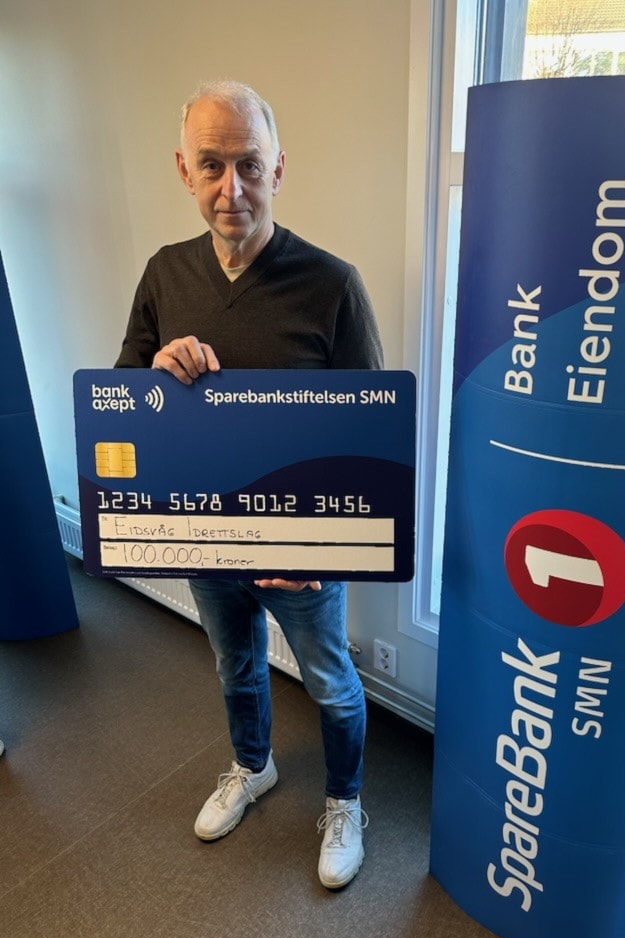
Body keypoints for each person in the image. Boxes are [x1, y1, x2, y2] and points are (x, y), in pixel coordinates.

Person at [115, 80, 383, 889]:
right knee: (235, 666)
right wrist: (156, 377)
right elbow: (122, 401)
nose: (231, 187)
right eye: (212, 166)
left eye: (249, 165)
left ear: (278, 170)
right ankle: (253, 766)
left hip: (301, 553)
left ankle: (345, 801)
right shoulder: (165, 274)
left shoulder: (332, 285)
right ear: (184, 171)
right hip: (207, 537)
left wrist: (320, 552)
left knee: (330, 682)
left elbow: (367, 438)